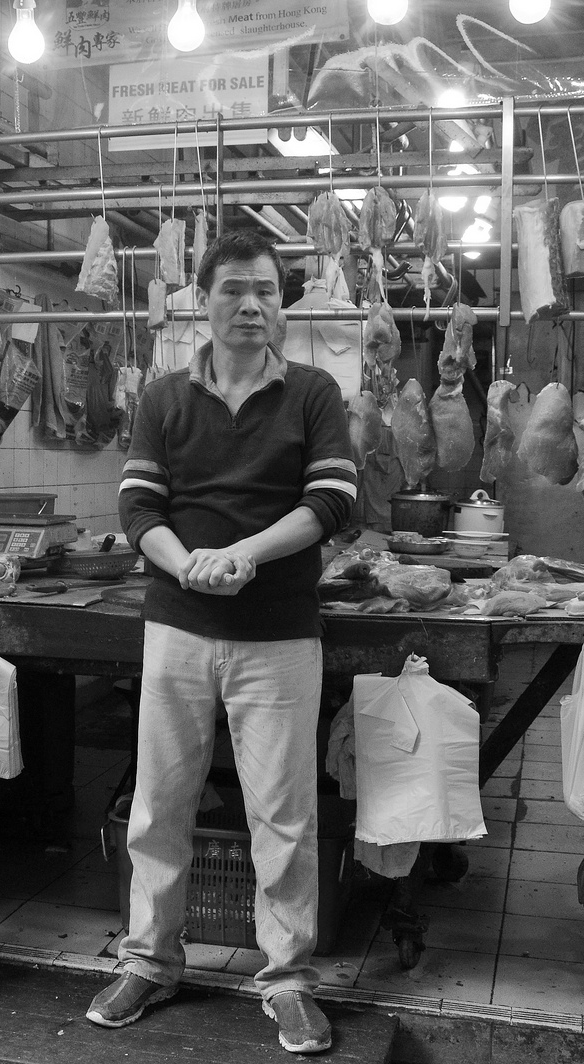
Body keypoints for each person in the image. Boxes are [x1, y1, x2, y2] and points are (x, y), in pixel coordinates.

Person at [87, 230, 358, 1055]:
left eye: (268, 291)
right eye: (235, 289)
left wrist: (245, 554)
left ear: (282, 305)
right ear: (202, 302)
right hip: (177, 626)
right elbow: (139, 510)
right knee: (159, 805)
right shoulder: (165, 398)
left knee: (282, 812)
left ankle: (285, 980)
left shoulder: (314, 393)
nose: (252, 305)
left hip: (278, 631)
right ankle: (150, 960)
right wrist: (190, 565)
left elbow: (335, 502)